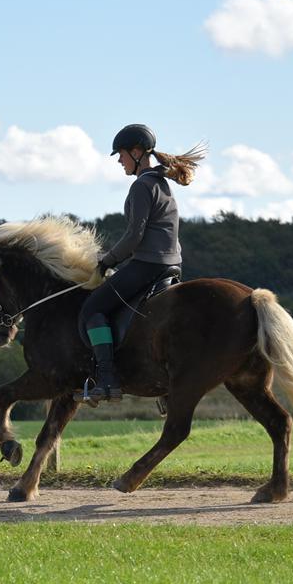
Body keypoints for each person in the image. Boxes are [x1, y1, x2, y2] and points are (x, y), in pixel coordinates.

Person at [80, 124, 206, 402]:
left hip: (149, 265)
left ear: (137, 153)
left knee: (93, 309)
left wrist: (106, 261)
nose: (119, 161)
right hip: (172, 264)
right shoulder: (161, 183)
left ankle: (107, 378)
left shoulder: (141, 186)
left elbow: (134, 235)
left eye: (121, 155)